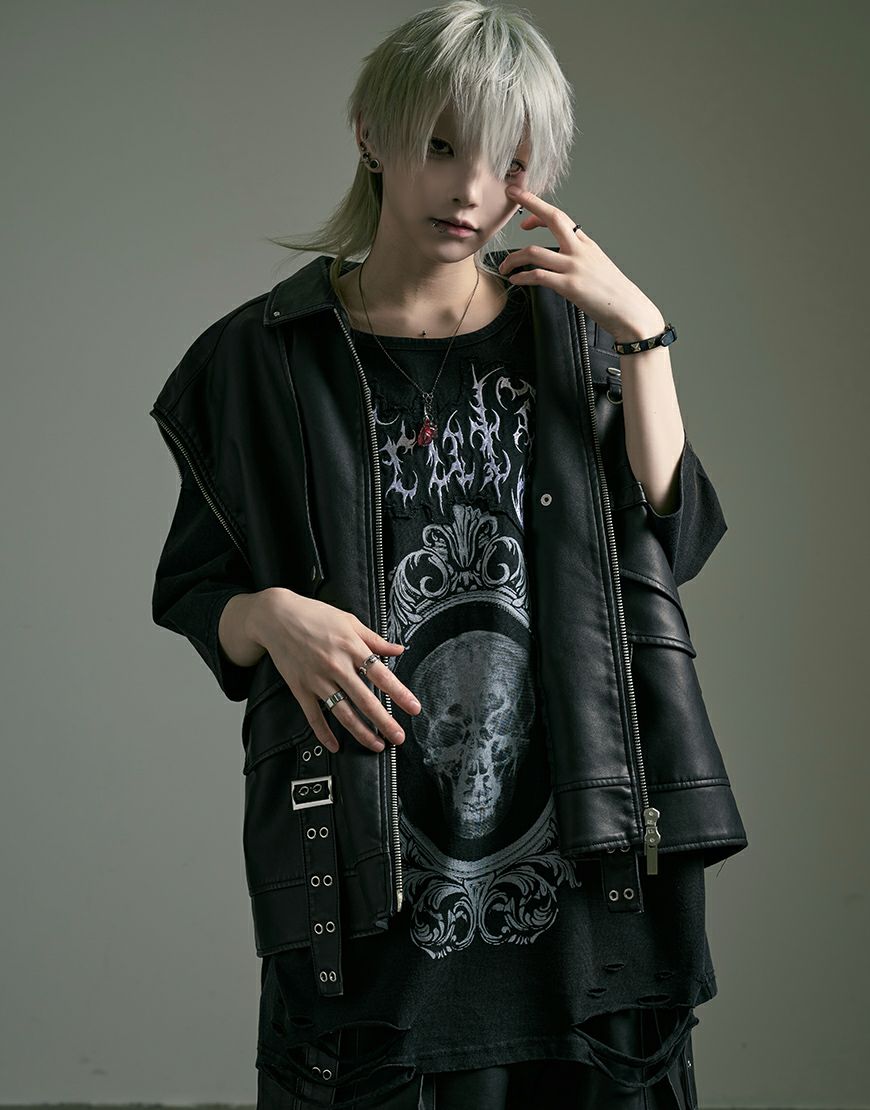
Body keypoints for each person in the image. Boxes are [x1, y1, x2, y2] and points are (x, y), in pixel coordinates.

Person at [149, 3, 748, 1107]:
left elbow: (677, 533)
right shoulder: (260, 362)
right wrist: (271, 614)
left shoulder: (575, 334)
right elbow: (196, 592)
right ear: (370, 132)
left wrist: (644, 336)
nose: (472, 190)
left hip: (585, 875)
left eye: (509, 163)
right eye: (439, 145)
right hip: (372, 872)